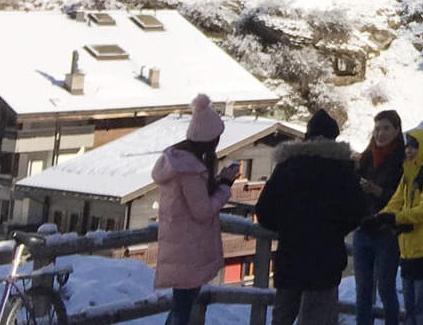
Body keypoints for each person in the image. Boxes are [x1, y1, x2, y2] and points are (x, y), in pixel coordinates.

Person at [255, 110, 366, 325]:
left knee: (283, 316)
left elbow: (265, 212)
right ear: (334, 137)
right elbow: (358, 211)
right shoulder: (342, 169)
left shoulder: (287, 166)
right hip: (326, 258)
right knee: (319, 318)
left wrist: (288, 227)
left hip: (290, 256)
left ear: (307, 135)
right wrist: (334, 231)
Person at [153, 94, 238, 325]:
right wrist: (224, 187)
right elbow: (202, 210)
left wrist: (217, 182)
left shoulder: (180, 163)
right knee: (182, 307)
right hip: (188, 247)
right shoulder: (190, 171)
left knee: (182, 305)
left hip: (182, 243)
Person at [364, 129, 423, 325]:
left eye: (414, 146)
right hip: (409, 249)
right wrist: (380, 217)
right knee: (410, 308)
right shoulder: (409, 174)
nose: (409, 151)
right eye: (408, 146)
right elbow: (396, 200)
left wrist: (395, 218)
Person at [353, 110, 405, 325]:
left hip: (387, 232)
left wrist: (379, 192)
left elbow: (402, 197)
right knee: (363, 290)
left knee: (385, 288)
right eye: (377, 129)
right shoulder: (364, 159)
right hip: (363, 230)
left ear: (396, 131)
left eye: (386, 128)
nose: (380, 134)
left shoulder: (402, 161)